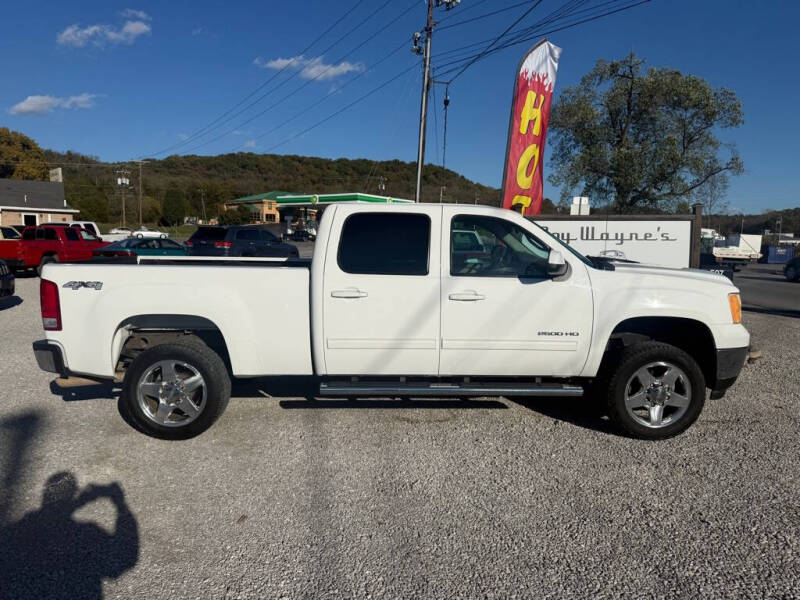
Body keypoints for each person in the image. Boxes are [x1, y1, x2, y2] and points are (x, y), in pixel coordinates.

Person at [0, 472, 139, 600]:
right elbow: (125, 559)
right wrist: (120, 504)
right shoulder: (86, 533)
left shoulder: (14, 532)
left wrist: (78, 503)